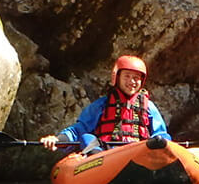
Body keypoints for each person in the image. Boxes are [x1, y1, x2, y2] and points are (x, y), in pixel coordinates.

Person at [40, 54, 170, 152]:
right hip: (106, 155)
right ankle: (96, 165)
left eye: (136, 78)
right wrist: (58, 140)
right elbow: (78, 131)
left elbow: (161, 134)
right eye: (127, 76)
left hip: (138, 153)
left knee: (159, 140)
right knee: (87, 138)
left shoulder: (148, 107)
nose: (132, 82)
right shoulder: (101, 105)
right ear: (117, 78)